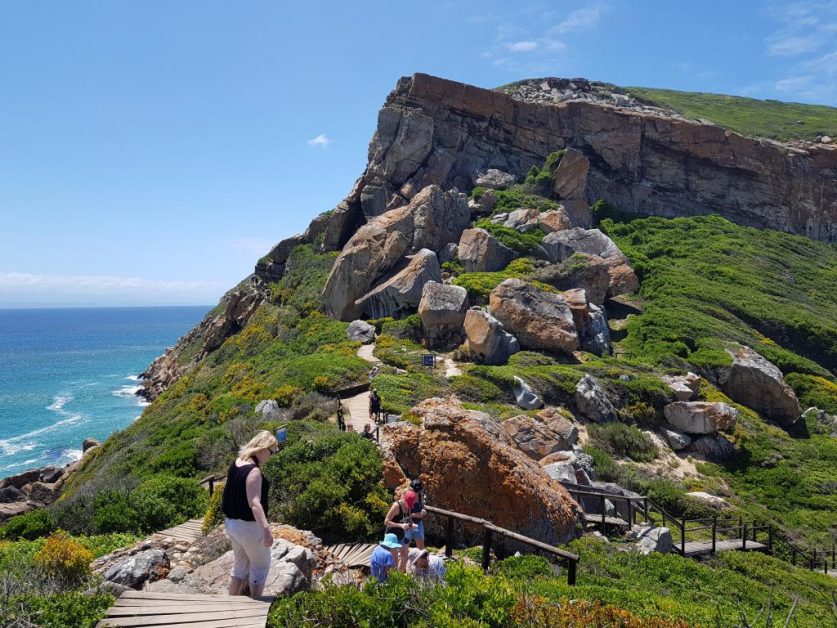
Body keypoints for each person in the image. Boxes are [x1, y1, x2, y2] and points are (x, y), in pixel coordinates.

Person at [220, 430, 279, 598]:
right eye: (271, 451)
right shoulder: (254, 471)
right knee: (260, 567)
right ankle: (254, 605)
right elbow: (254, 504)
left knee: (240, 567)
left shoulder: (237, 462)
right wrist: (267, 531)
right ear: (262, 449)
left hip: (231, 524)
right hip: (248, 527)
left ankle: (231, 602)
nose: (271, 455)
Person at [384, 489, 417, 572]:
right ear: (404, 499)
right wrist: (400, 525)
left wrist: (412, 525)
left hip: (401, 534)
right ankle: (391, 579)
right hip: (392, 536)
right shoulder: (396, 506)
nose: (408, 507)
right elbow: (386, 521)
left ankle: (400, 575)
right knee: (394, 560)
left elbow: (408, 518)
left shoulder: (408, 507)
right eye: (408, 504)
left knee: (405, 556)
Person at [404, 479, 427, 550]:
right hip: (407, 524)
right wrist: (414, 515)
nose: (417, 493)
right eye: (415, 491)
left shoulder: (420, 495)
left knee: (421, 548)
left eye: (418, 491)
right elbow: (404, 514)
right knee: (404, 548)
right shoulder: (407, 496)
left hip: (418, 523)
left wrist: (423, 511)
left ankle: (421, 560)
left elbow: (423, 506)